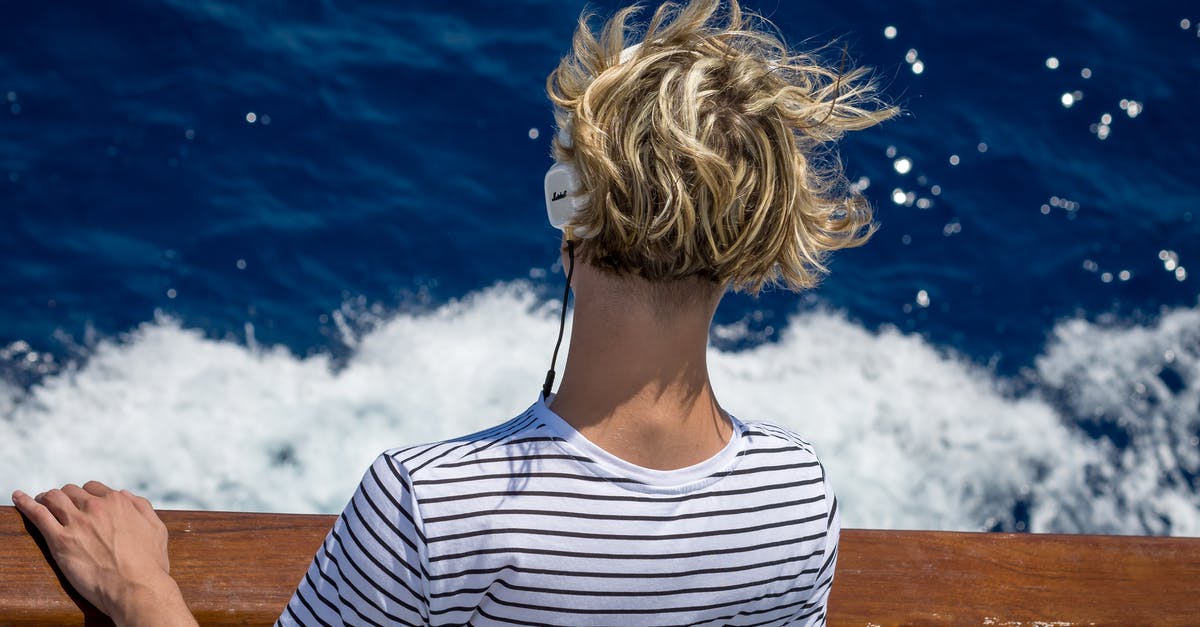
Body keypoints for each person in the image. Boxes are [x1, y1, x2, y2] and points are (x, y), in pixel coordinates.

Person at [12, 0, 895, 624]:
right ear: (757, 233)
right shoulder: (794, 496)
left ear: (569, 207)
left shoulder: (434, 505)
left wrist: (140, 591)